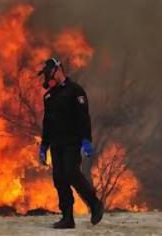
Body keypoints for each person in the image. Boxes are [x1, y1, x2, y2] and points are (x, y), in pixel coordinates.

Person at [38, 58, 104, 229]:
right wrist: (44, 146)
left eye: (48, 74)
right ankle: (67, 217)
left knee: (71, 172)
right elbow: (47, 123)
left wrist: (86, 140)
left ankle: (94, 203)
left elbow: (83, 117)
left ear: (58, 70)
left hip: (72, 142)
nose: (47, 79)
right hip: (56, 144)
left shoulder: (76, 91)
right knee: (59, 179)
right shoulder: (49, 97)